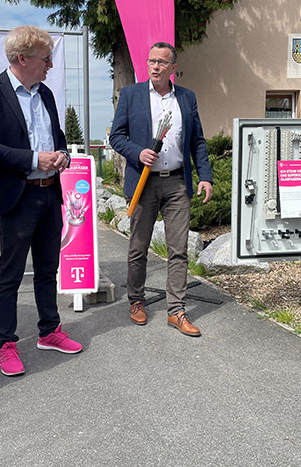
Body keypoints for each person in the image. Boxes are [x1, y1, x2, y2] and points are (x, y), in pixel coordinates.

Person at [0, 25, 81, 378]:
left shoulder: (45, 94)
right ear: (22, 58)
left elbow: (58, 137)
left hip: (49, 192)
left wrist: (60, 154)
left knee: (48, 268)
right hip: (16, 196)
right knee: (11, 273)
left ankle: (49, 331)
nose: (50, 64)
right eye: (45, 58)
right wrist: (34, 159)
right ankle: (5, 344)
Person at [110, 42, 213, 337]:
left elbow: (198, 141)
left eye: (161, 62)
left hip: (178, 182)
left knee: (179, 250)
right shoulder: (131, 95)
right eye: (151, 60)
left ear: (173, 68)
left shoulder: (187, 98)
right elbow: (117, 136)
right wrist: (137, 152)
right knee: (138, 247)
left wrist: (204, 175)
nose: (154, 66)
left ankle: (176, 310)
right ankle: (137, 301)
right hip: (144, 182)